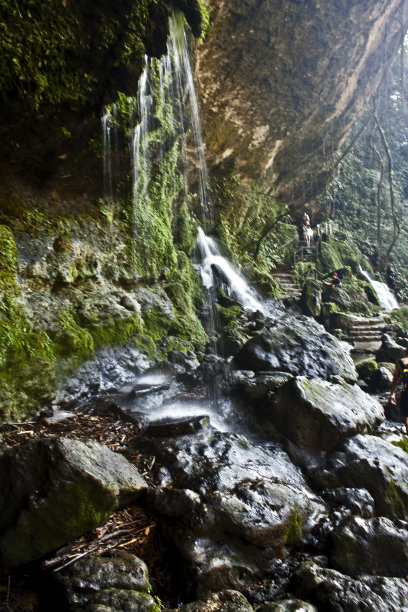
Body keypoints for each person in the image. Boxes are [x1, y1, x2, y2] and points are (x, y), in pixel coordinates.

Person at [390, 349, 408, 434]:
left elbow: (395, 379)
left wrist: (392, 394)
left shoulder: (400, 363)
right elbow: (395, 379)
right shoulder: (400, 362)